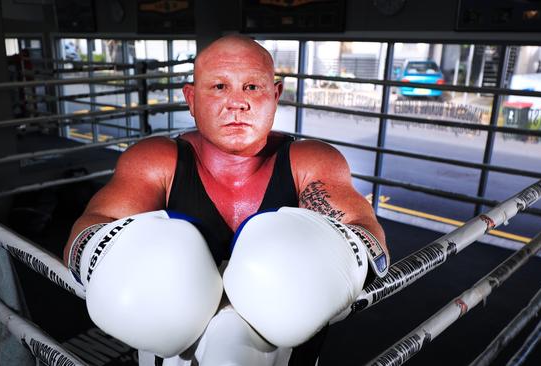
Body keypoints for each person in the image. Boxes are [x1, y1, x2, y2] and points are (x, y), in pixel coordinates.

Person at [63, 35, 388, 365]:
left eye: (252, 87)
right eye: (219, 86)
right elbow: (93, 225)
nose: (237, 103)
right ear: (191, 98)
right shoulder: (157, 160)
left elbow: (365, 232)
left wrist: (341, 255)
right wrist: (110, 257)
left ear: (275, 95)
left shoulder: (310, 161)